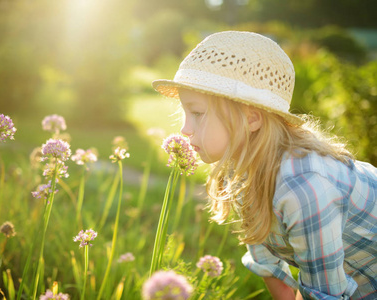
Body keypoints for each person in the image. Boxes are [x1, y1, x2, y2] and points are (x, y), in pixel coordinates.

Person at [152, 31, 376, 300]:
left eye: (197, 113)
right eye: (185, 112)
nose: (184, 128)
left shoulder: (303, 187)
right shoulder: (239, 171)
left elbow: (325, 294)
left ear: (252, 119)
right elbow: (268, 264)